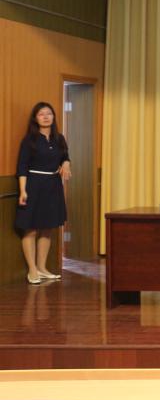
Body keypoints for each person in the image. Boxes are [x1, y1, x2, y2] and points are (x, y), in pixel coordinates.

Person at [16, 102, 71, 284]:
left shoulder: (59, 139)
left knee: (48, 228)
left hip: (53, 186)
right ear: (35, 118)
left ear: (53, 117)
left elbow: (64, 156)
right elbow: (22, 166)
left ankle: (42, 268)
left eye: (49, 113)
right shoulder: (29, 140)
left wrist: (66, 162)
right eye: (41, 114)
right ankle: (32, 270)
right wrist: (23, 190)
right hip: (33, 185)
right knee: (31, 229)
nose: (46, 117)